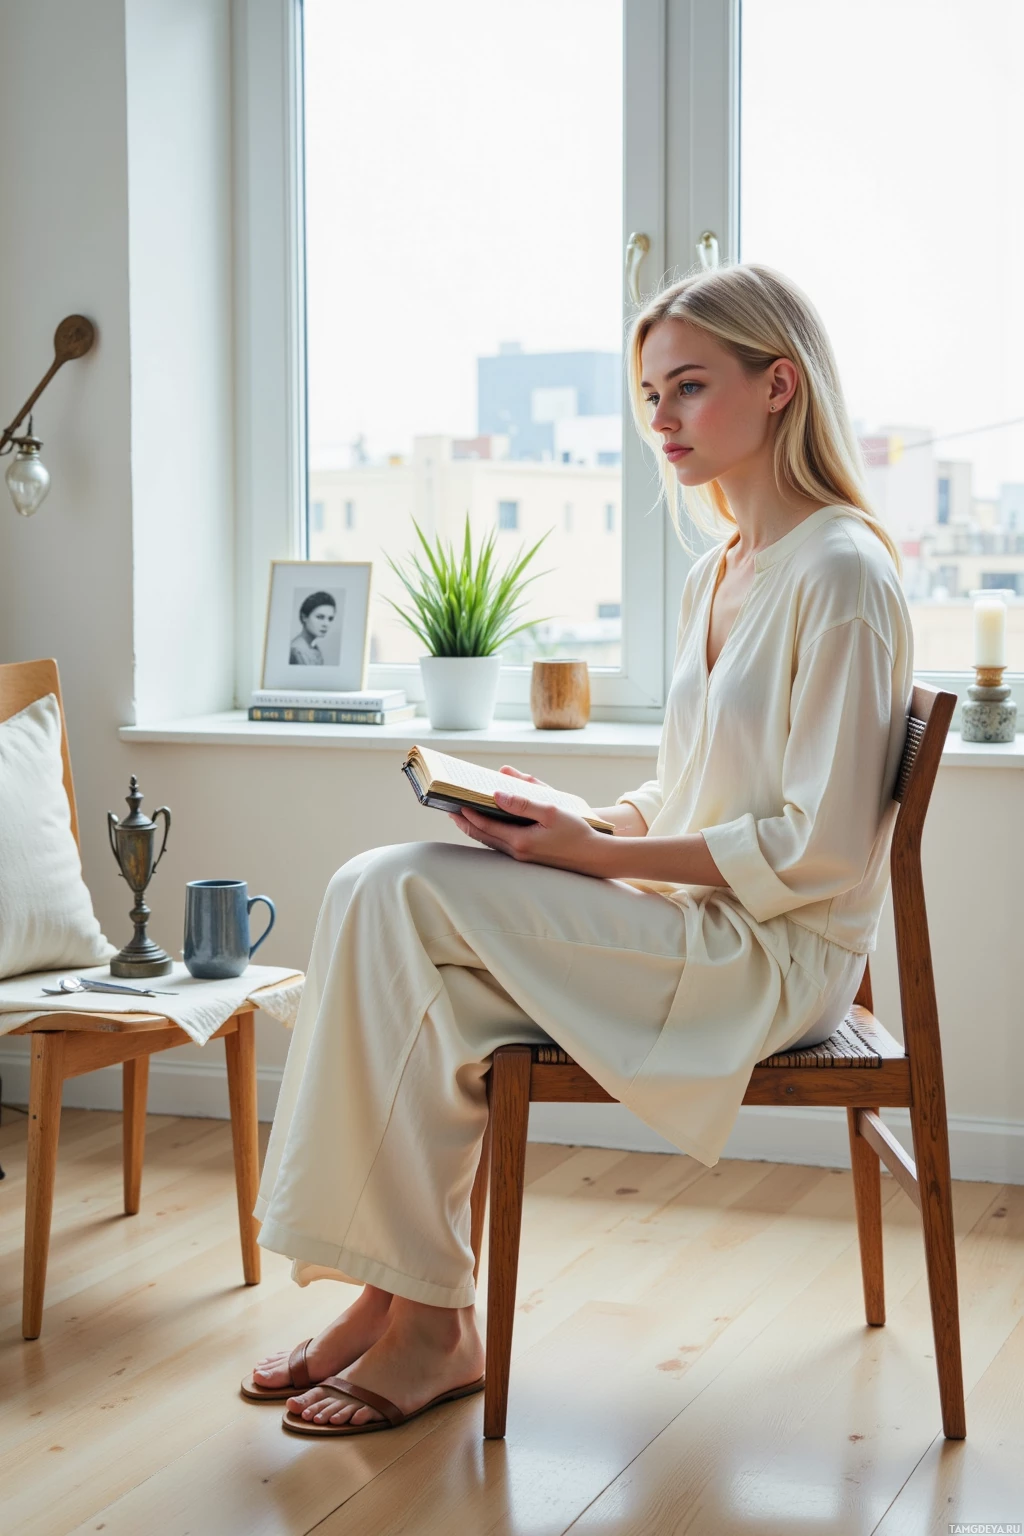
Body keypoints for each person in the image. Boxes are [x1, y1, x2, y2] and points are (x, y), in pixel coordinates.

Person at [243, 263, 913, 1436]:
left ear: (779, 386)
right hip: (696, 923)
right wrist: (582, 821)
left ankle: (427, 1317)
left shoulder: (843, 573)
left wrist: (581, 862)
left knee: (390, 896)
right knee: (406, 946)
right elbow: (694, 783)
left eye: (688, 389)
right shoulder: (726, 566)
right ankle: (403, 1299)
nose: (660, 418)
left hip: (774, 961)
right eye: (649, 393)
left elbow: (818, 853)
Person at [289, 591, 337, 665]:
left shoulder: (314, 648)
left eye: (330, 619)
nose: (326, 624)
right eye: (320, 617)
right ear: (304, 617)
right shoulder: (296, 652)